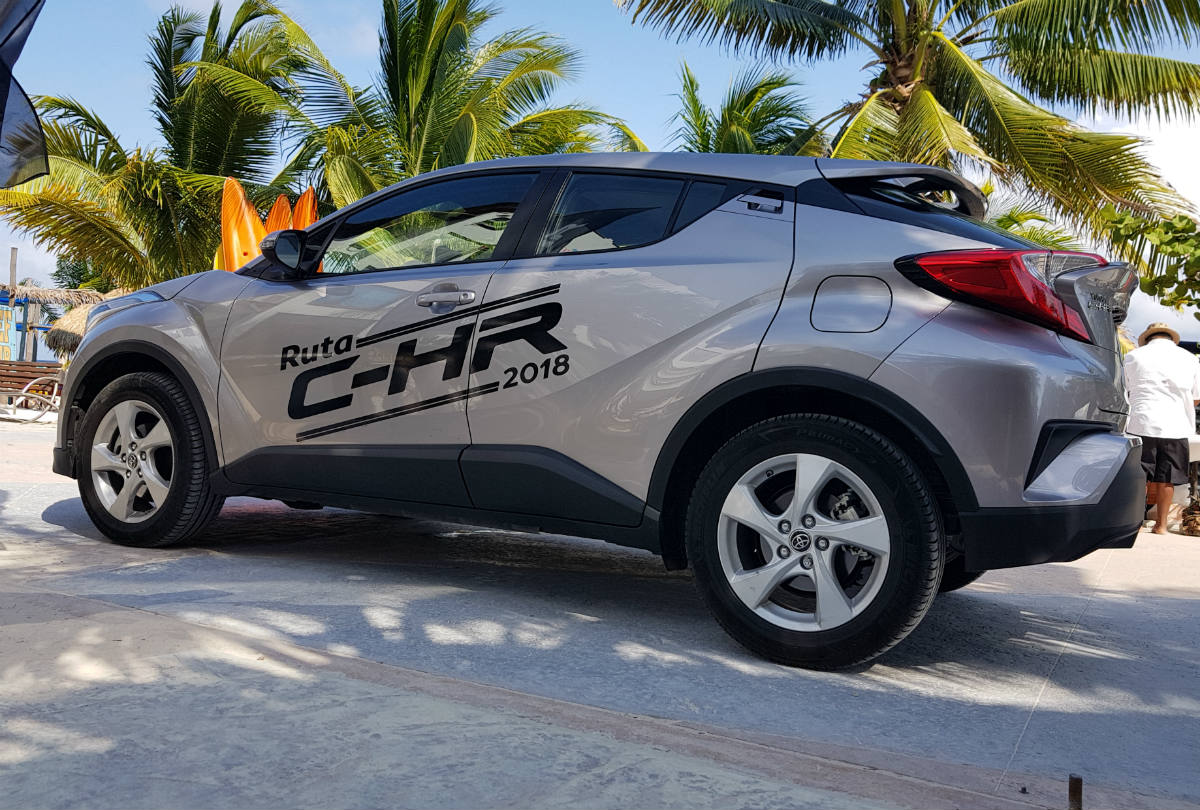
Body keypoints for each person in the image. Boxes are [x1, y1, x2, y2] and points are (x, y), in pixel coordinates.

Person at [1124, 322, 1200, 534]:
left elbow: (1126, 390)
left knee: (1140, 474)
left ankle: (1135, 524)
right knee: (1168, 478)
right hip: (1176, 425)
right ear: (1170, 339)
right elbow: (1196, 398)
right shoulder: (1189, 358)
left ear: (1147, 339)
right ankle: (1161, 525)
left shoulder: (1133, 356)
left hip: (1141, 421)